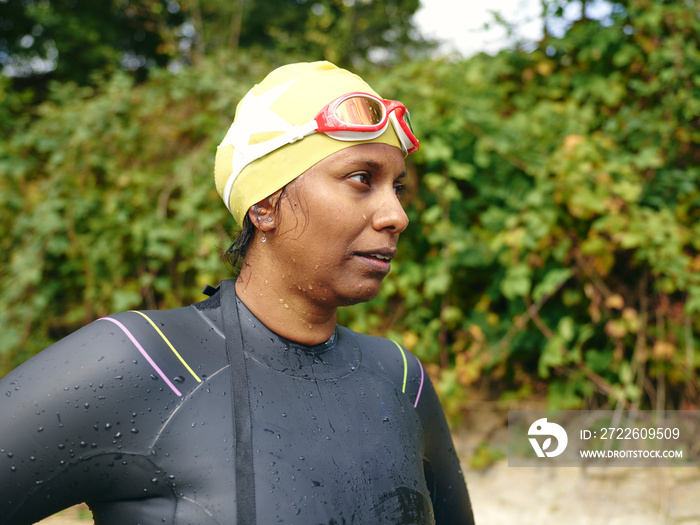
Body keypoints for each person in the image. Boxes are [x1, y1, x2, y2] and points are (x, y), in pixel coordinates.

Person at [0, 61, 475, 524]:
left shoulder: (401, 379)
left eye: (397, 185)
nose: (396, 215)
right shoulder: (146, 362)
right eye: (361, 179)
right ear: (265, 206)